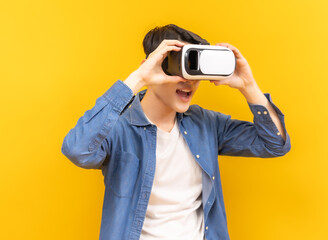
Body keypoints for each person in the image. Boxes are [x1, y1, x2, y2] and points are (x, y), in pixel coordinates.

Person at [61, 24, 291, 240]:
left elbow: (274, 144)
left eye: (193, 69)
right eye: (179, 67)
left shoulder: (206, 123)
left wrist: (248, 85)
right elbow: (77, 150)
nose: (189, 81)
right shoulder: (119, 127)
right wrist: (138, 78)